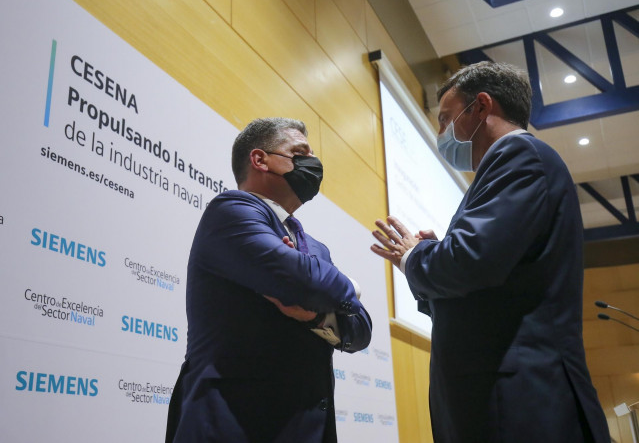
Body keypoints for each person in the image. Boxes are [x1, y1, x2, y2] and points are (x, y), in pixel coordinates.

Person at [371, 62, 609, 442]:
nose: (441, 133)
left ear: (481, 107)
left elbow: (469, 263)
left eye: (446, 119)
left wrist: (415, 256)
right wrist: (436, 254)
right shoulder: (512, 164)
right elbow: (486, 287)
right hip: (507, 399)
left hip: (517, 401)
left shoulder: (517, 154)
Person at [166, 117, 372, 443]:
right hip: (233, 424)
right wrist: (348, 284)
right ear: (260, 159)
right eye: (300, 152)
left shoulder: (316, 248)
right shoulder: (232, 210)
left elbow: (361, 330)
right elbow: (306, 284)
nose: (313, 163)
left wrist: (316, 314)